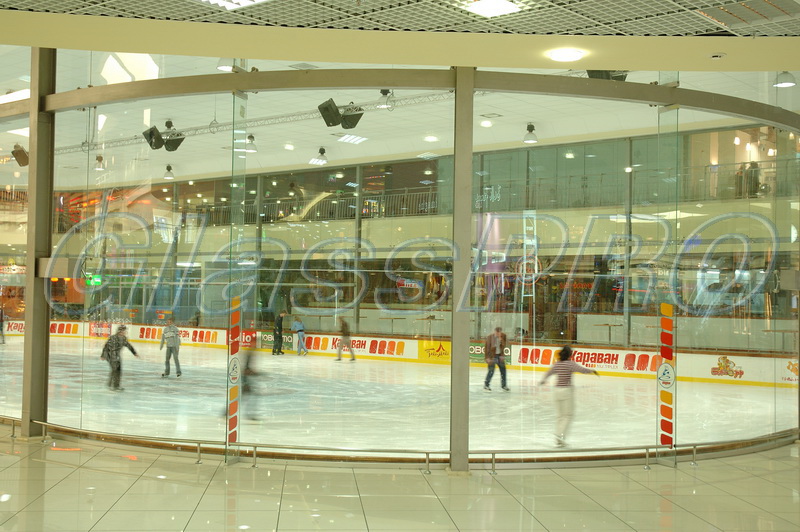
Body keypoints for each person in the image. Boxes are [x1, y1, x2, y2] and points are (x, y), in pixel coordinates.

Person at [539, 345, 599, 447]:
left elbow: (549, 373)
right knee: (567, 415)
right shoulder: (570, 364)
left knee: (560, 416)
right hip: (566, 391)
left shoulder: (558, 364)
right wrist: (592, 371)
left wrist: (543, 380)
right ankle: (559, 435)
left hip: (556, 391)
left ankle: (559, 439)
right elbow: (582, 369)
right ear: (570, 354)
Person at [100, 325, 139, 391]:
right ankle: (114, 386)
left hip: (116, 356)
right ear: (120, 331)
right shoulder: (113, 338)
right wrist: (103, 355)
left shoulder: (123, 338)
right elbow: (106, 346)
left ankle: (111, 384)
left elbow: (128, 345)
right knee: (115, 370)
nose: (125, 332)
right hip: (110, 355)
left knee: (117, 370)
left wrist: (134, 353)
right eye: (124, 331)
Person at [483, 327, 509, 392]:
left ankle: (504, 385)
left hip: (499, 356)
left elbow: (504, 345)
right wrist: (487, 358)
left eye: (499, 332)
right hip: (492, 357)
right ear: (494, 332)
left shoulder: (503, 336)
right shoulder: (490, 337)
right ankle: (486, 385)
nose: (498, 334)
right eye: (497, 332)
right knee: (491, 371)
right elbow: (487, 348)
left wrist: (501, 340)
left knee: (503, 371)